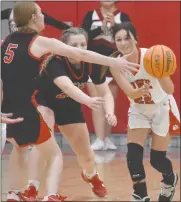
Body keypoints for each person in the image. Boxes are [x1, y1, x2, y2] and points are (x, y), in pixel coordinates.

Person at [1, 2, 141, 201]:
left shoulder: (7, 41)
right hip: (43, 101)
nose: (80, 48)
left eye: (83, 43)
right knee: (46, 146)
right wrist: (112, 64)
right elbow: (68, 86)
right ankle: (36, 187)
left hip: (64, 104)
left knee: (84, 155)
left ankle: (90, 174)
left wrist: (105, 108)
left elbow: (101, 89)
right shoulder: (52, 56)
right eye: (74, 45)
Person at [102, 22, 179, 201]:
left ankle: (169, 179)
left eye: (127, 37)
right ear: (115, 43)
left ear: (135, 39)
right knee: (133, 155)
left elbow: (170, 90)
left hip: (162, 107)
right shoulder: (116, 64)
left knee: (156, 160)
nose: (123, 42)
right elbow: (129, 92)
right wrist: (139, 92)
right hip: (139, 109)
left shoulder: (152, 57)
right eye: (118, 39)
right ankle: (141, 194)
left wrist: (162, 74)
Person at [82, 0, 131, 150]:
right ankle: (99, 138)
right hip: (93, 62)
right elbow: (83, 36)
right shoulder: (91, 15)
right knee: (96, 101)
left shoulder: (123, 16)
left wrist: (114, 27)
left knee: (111, 98)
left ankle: (107, 138)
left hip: (113, 62)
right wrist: (101, 28)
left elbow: (128, 38)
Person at [1, 6, 70, 34]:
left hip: (28, 41)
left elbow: (53, 21)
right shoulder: (9, 12)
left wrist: (69, 28)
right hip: (13, 40)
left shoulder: (36, 12)